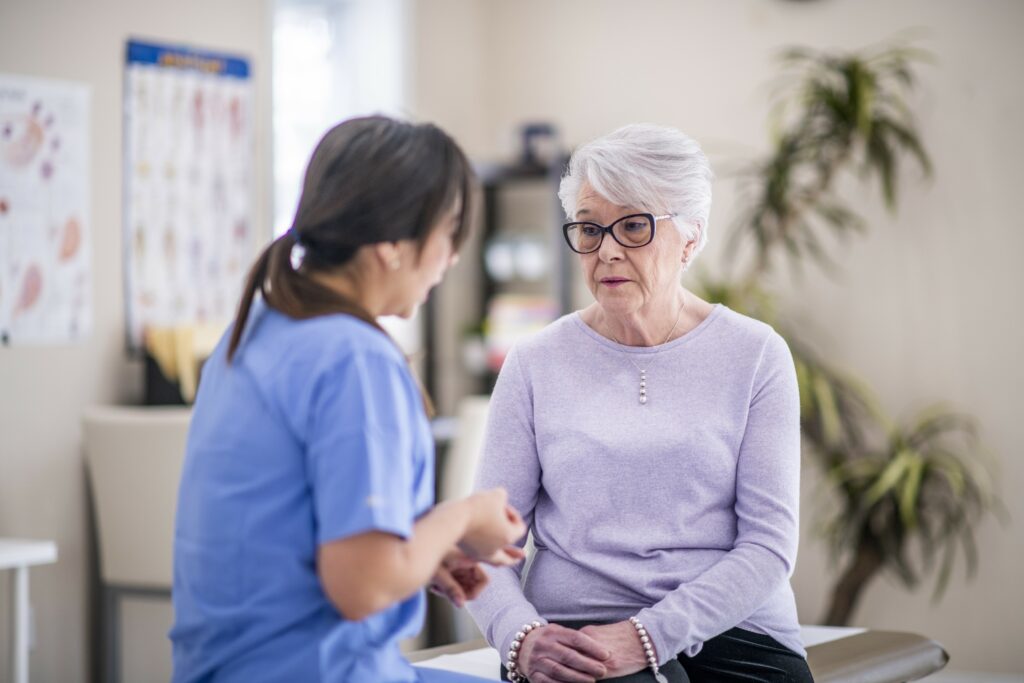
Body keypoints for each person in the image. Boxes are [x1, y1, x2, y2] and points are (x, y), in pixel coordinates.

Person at [170, 115, 526, 683]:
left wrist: (418, 554)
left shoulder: (253, 331)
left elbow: (288, 541)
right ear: (391, 244)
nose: (453, 257)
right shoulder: (354, 358)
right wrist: (460, 518)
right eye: (449, 230)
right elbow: (362, 588)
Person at [466, 123, 813, 683]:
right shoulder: (534, 363)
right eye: (589, 228)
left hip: (734, 635)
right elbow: (486, 544)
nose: (606, 250)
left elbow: (769, 548)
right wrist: (520, 638)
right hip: (576, 638)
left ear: (691, 239)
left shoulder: (755, 355)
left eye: (633, 227)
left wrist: (647, 636)